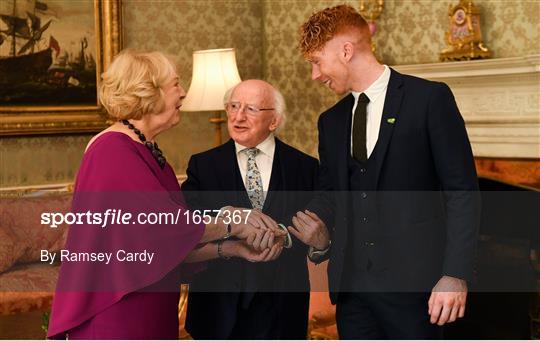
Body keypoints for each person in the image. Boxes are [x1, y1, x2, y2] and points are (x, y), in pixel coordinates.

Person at [47, 50, 282, 340]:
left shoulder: (147, 150)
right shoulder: (113, 150)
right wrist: (237, 224)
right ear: (149, 91)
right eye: (176, 84)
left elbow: (170, 243)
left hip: (149, 310)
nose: (183, 92)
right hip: (120, 315)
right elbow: (166, 228)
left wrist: (233, 248)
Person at [291, 5, 480, 339]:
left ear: (346, 51)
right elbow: (330, 194)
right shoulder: (330, 122)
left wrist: (455, 273)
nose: (315, 76)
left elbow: (462, 192)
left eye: (317, 62)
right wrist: (309, 228)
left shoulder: (429, 100)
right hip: (353, 296)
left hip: (420, 292)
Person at [182, 79, 320, 339]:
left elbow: (319, 225)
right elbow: (187, 220)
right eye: (233, 106)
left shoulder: (306, 167)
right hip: (218, 310)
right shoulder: (202, 165)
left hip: (282, 308)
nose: (238, 116)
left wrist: (284, 237)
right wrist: (230, 214)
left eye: (251, 109)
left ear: (274, 120)